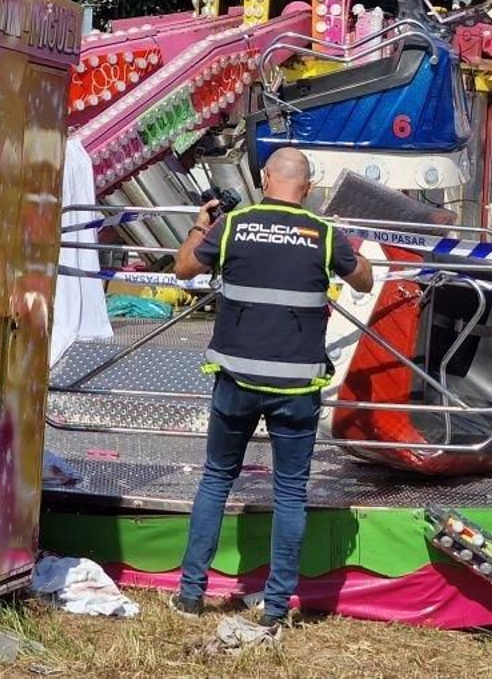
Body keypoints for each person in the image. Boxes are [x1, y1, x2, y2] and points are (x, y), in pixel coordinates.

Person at [170, 148, 375, 631]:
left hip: (235, 381)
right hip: (295, 386)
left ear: (265, 179)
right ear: (307, 187)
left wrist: (202, 224)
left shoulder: (234, 224)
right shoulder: (323, 234)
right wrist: (341, 240)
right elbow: (363, 281)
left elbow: (183, 269)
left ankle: (191, 594)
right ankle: (278, 605)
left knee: (216, 479)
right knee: (289, 492)